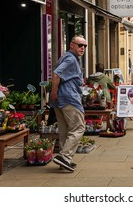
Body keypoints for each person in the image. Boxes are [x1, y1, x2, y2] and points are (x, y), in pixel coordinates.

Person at [50, 35, 87, 172]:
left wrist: (54, 95)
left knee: (65, 130)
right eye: (80, 45)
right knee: (78, 128)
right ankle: (65, 157)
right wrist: (54, 92)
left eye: (84, 46)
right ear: (72, 45)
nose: (83, 48)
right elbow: (56, 74)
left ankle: (64, 161)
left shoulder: (67, 57)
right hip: (69, 98)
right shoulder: (71, 59)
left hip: (61, 99)